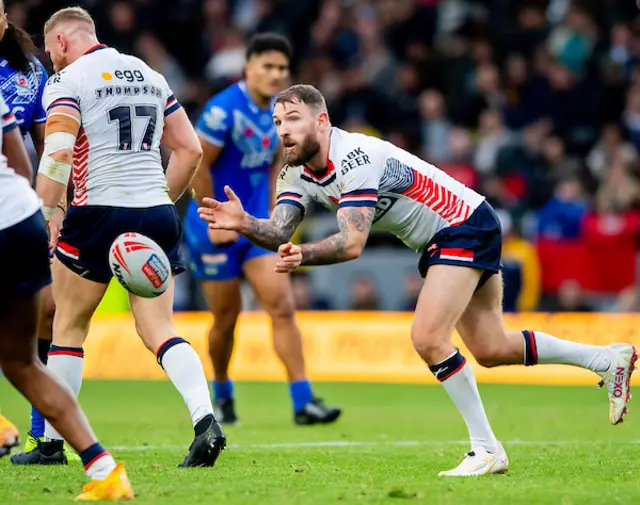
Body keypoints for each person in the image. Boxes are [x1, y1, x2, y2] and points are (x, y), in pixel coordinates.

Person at [198, 84, 637, 476]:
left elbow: (352, 244)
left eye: (293, 119)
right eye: (277, 122)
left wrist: (303, 254)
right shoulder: (294, 172)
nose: (283, 131)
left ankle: (486, 449)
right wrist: (244, 222)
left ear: (322, 120)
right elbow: (278, 231)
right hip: (451, 233)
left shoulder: (354, 157)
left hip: (463, 224)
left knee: (427, 336)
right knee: (490, 347)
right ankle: (606, 359)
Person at [30, 6, 225, 467]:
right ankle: (205, 422)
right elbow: (189, 148)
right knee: (160, 329)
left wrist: (45, 214)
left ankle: (55, 444)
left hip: (96, 211)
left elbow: (57, 155)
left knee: (69, 327)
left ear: (61, 42)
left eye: (48, 50)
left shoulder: (67, 80)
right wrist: (160, 198)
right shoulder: (149, 74)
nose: (49, 60)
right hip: (156, 213)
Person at [186, 33, 340, 425]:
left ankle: (303, 401)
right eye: (267, 66)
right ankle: (222, 393)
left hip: (255, 223)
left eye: (282, 68)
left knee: (282, 306)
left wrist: (274, 212)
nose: (276, 74)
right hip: (214, 226)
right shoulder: (223, 111)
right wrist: (214, 218)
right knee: (227, 317)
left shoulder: (281, 111)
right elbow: (198, 164)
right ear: (248, 68)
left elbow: (277, 163)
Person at [0, 92, 133, 500]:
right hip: (22, 218)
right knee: (23, 363)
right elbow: (21, 163)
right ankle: (106, 472)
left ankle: (2, 427)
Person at [0, 2, 76, 464]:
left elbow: (48, 144)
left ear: (4, 20)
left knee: (45, 315)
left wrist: (56, 207)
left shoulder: (29, 72)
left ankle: (39, 437)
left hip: (18, 208)